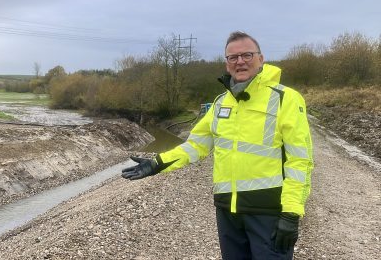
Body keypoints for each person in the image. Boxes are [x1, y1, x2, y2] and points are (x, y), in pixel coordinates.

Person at [122, 31, 314, 260]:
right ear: (226, 63)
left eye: (247, 55)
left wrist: (291, 213)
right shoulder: (221, 102)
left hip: (268, 211)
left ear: (261, 59)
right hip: (227, 211)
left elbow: (300, 160)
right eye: (233, 57)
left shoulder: (286, 99)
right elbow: (196, 146)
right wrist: (157, 163)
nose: (240, 61)